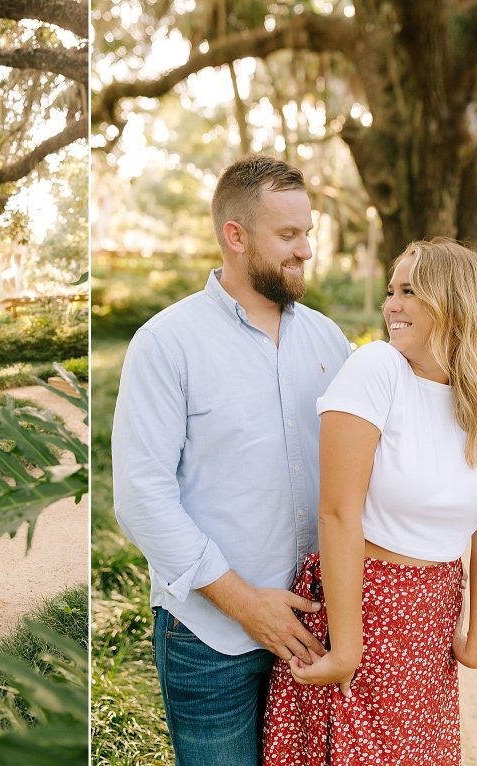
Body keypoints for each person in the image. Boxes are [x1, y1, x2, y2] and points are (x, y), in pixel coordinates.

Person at [111, 154, 353, 764]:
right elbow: (141, 497)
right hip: (210, 636)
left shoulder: (330, 341)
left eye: (308, 234)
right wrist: (247, 607)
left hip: (317, 630)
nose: (305, 250)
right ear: (236, 237)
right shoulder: (167, 343)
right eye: (288, 235)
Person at [263, 239, 477, 765]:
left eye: (410, 291)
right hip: (365, 605)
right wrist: (346, 649)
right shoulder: (378, 368)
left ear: (456, 303)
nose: (392, 306)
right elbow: (338, 512)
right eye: (391, 291)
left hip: (432, 617)